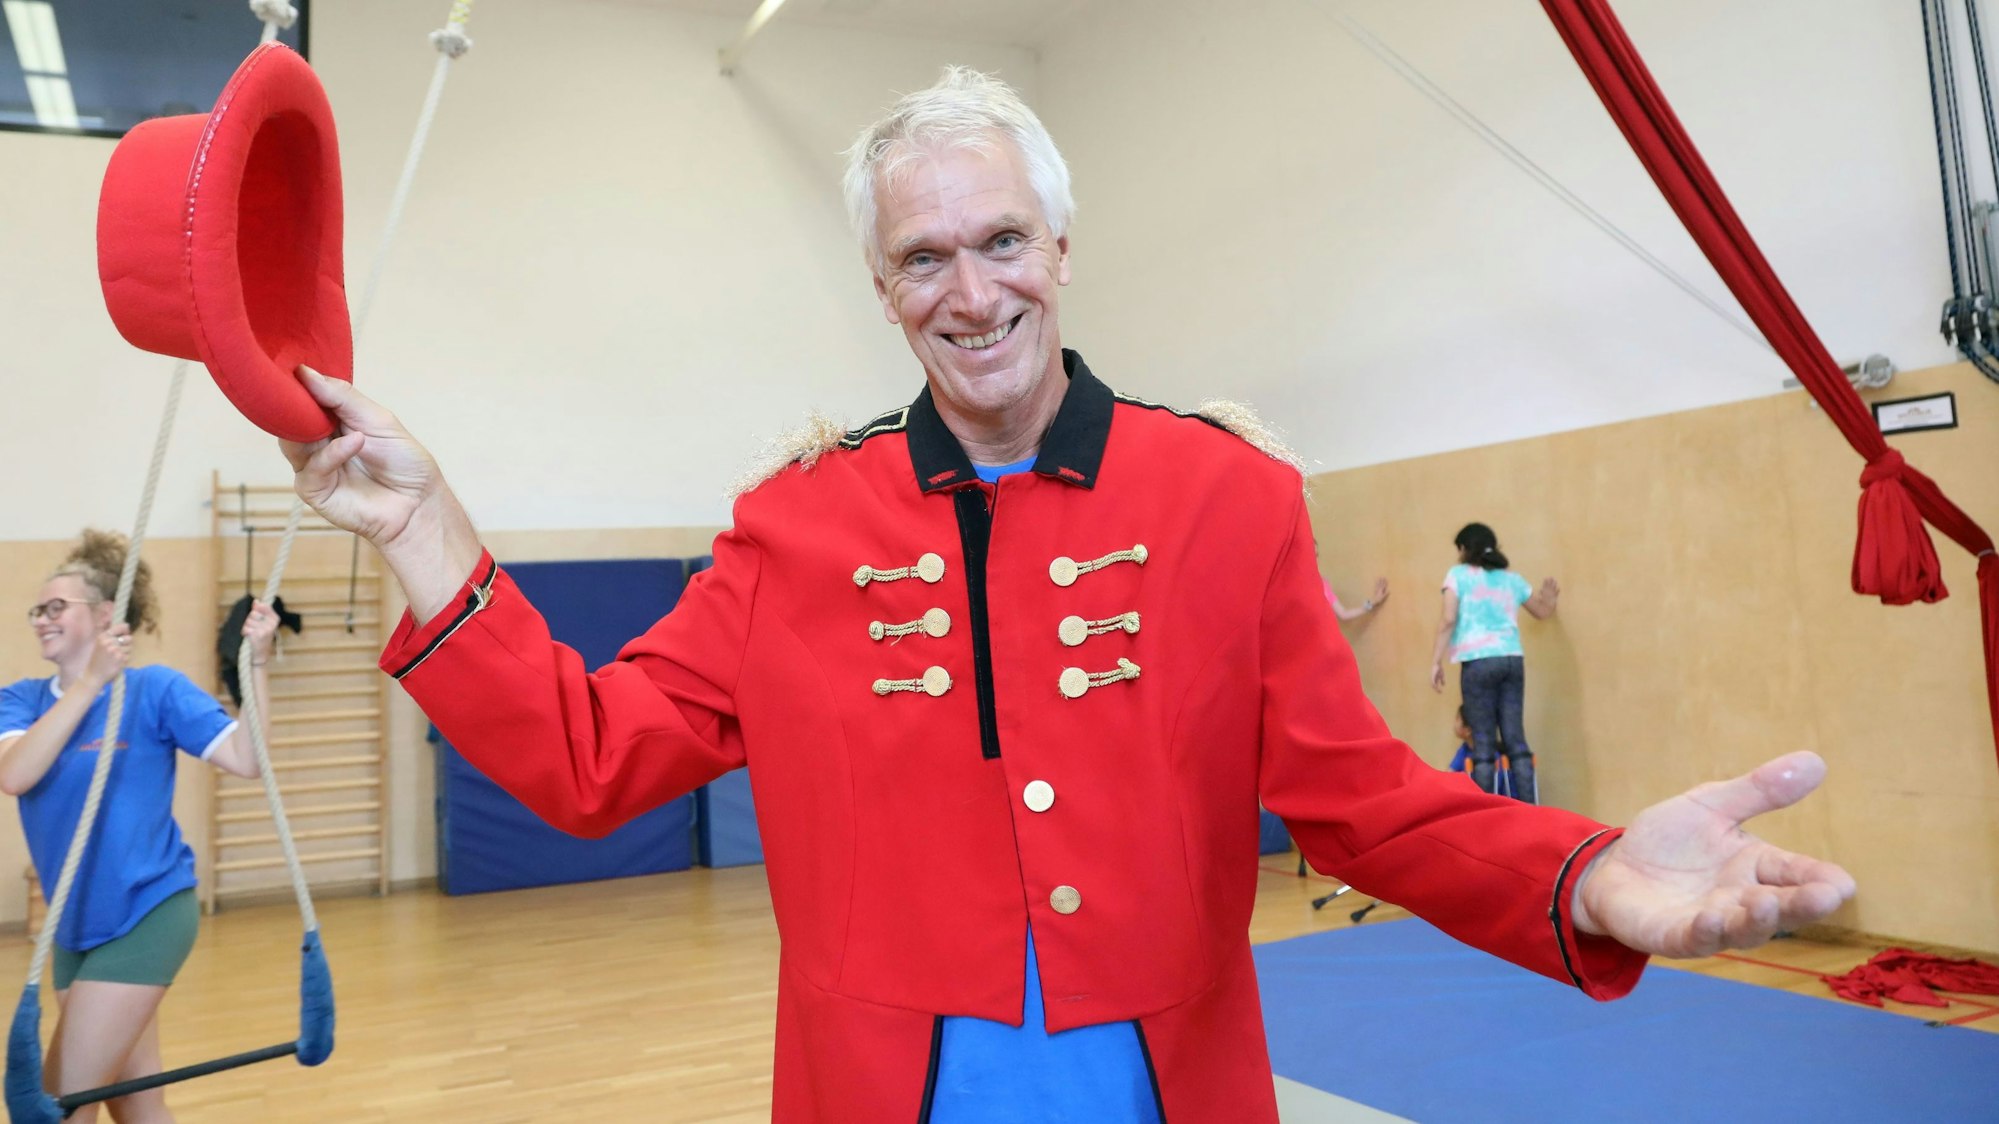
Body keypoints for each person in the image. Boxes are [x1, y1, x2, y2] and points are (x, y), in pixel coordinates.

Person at [278, 68, 1853, 1123]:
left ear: (1061, 247)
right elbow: (589, 756)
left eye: (1000, 241)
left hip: (1160, 1084)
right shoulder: (791, 523)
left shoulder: (1224, 496)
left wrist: (1584, 877)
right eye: (921, 261)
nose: (970, 295)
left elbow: (1360, 802)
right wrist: (426, 531)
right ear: (879, 290)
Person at [0, 531, 279, 1124]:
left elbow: (248, 760)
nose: (42, 620)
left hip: (146, 914)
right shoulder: (19, 701)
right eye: (38, 610)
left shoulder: (156, 691)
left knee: (55, 1108)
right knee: (136, 1105)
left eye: (58, 608)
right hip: (74, 930)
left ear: (104, 616)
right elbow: (16, 774)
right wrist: (89, 684)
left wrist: (255, 665)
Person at [1430, 522, 1553, 803]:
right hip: (1511, 660)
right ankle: (1530, 810)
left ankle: (1488, 816)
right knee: (1515, 741)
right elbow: (1542, 611)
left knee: (1483, 745)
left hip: (1477, 663)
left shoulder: (1458, 575)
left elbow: (1449, 618)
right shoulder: (1512, 579)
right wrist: (1551, 597)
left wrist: (1436, 661)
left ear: (1463, 549)